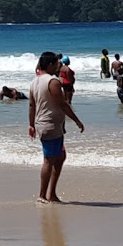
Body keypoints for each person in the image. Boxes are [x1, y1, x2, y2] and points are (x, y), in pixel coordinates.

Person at [28, 52, 84, 204]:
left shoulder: (34, 82)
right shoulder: (52, 81)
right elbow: (62, 104)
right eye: (57, 63)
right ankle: (42, 195)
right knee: (49, 160)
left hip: (46, 125)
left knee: (60, 156)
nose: (59, 65)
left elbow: (32, 105)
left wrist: (31, 124)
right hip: (50, 125)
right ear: (51, 64)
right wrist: (77, 121)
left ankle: (51, 194)